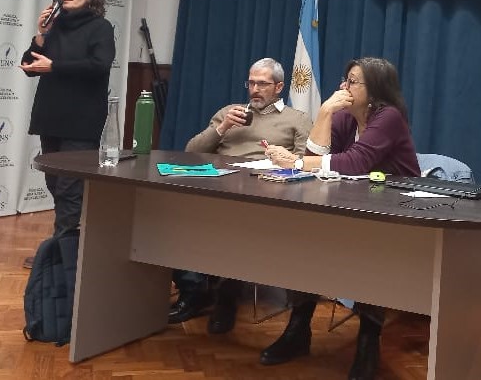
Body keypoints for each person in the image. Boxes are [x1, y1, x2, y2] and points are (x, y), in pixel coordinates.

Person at [262, 57, 420, 380]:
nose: (344, 87)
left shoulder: (388, 117)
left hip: (398, 215)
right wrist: (324, 112)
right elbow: (316, 159)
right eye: (345, 79)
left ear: (375, 90)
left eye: (353, 81)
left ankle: (368, 340)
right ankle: (298, 329)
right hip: (354, 207)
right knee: (307, 239)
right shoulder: (348, 117)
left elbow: (354, 163)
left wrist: (294, 163)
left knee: (369, 251)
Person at [168, 58, 312, 334]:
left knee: (234, 224)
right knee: (178, 213)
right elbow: (191, 151)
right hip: (218, 188)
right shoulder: (229, 113)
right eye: (251, 83)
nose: (255, 89)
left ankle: (226, 294)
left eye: (263, 84)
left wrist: (282, 159)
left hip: (264, 194)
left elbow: (306, 163)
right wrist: (221, 129)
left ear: (279, 87)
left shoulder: (296, 120)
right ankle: (193, 291)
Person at [20, 0, 115, 261]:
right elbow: (28, 65)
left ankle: (59, 254)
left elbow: (99, 65)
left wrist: (55, 67)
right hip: (51, 115)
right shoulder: (55, 26)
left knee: (69, 187)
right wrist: (40, 35)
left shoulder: (101, 27)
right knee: (54, 183)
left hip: (81, 118)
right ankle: (72, 243)